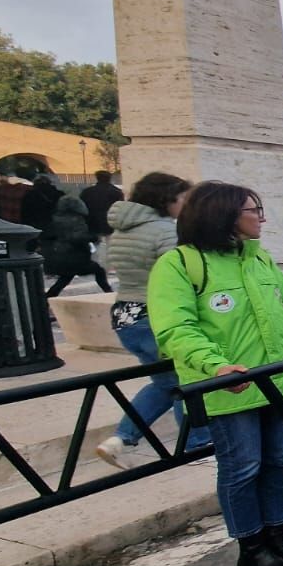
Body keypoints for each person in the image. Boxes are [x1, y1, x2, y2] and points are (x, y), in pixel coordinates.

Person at [147, 181, 283, 566]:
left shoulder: (259, 259)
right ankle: (250, 548)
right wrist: (215, 366)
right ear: (225, 215)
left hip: (278, 382)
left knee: (277, 462)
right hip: (231, 389)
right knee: (242, 466)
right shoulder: (179, 265)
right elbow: (175, 329)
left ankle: (276, 535)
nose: (262, 217)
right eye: (254, 210)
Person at [95, 173, 208, 468]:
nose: (186, 205)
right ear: (167, 198)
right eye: (183, 199)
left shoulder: (121, 229)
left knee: (164, 383)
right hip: (154, 314)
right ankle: (197, 442)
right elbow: (179, 276)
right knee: (189, 379)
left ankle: (120, 438)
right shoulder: (164, 231)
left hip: (125, 314)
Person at [42, 192, 112, 296]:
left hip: (59, 257)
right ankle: (109, 292)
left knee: (65, 277)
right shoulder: (77, 220)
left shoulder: (55, 218)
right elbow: (77, 237)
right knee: (99, 270)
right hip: (74, 257)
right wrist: (93, 238)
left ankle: (48, 297)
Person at [80, 170, 123, 265]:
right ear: (110, 178)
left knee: (94, 244)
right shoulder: (116, 192)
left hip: (92, 222)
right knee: (110, 245)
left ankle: (94, 263)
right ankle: (110, 265)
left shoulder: (87, 192)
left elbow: (82, 208)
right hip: (110, 222)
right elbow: (121, 208)